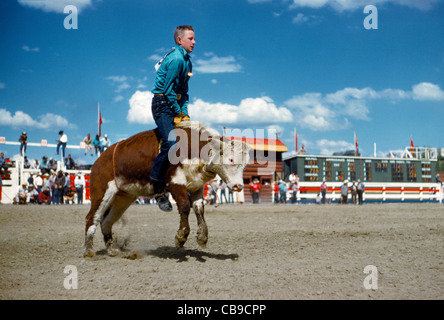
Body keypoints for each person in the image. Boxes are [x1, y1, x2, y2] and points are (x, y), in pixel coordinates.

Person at [150, 25, 195, 212]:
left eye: (194, 38)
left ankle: (181, 185)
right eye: (190, 38)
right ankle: (157, 187)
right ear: (179, 40)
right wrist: (178, 113)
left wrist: (184, 112)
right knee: (170, 144)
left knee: (188, 143)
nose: (194, 42)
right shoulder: (176, 59)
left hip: (173, 105)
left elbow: (183, 92)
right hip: (162, 105)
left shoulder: (188, 62)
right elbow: (168, 92)